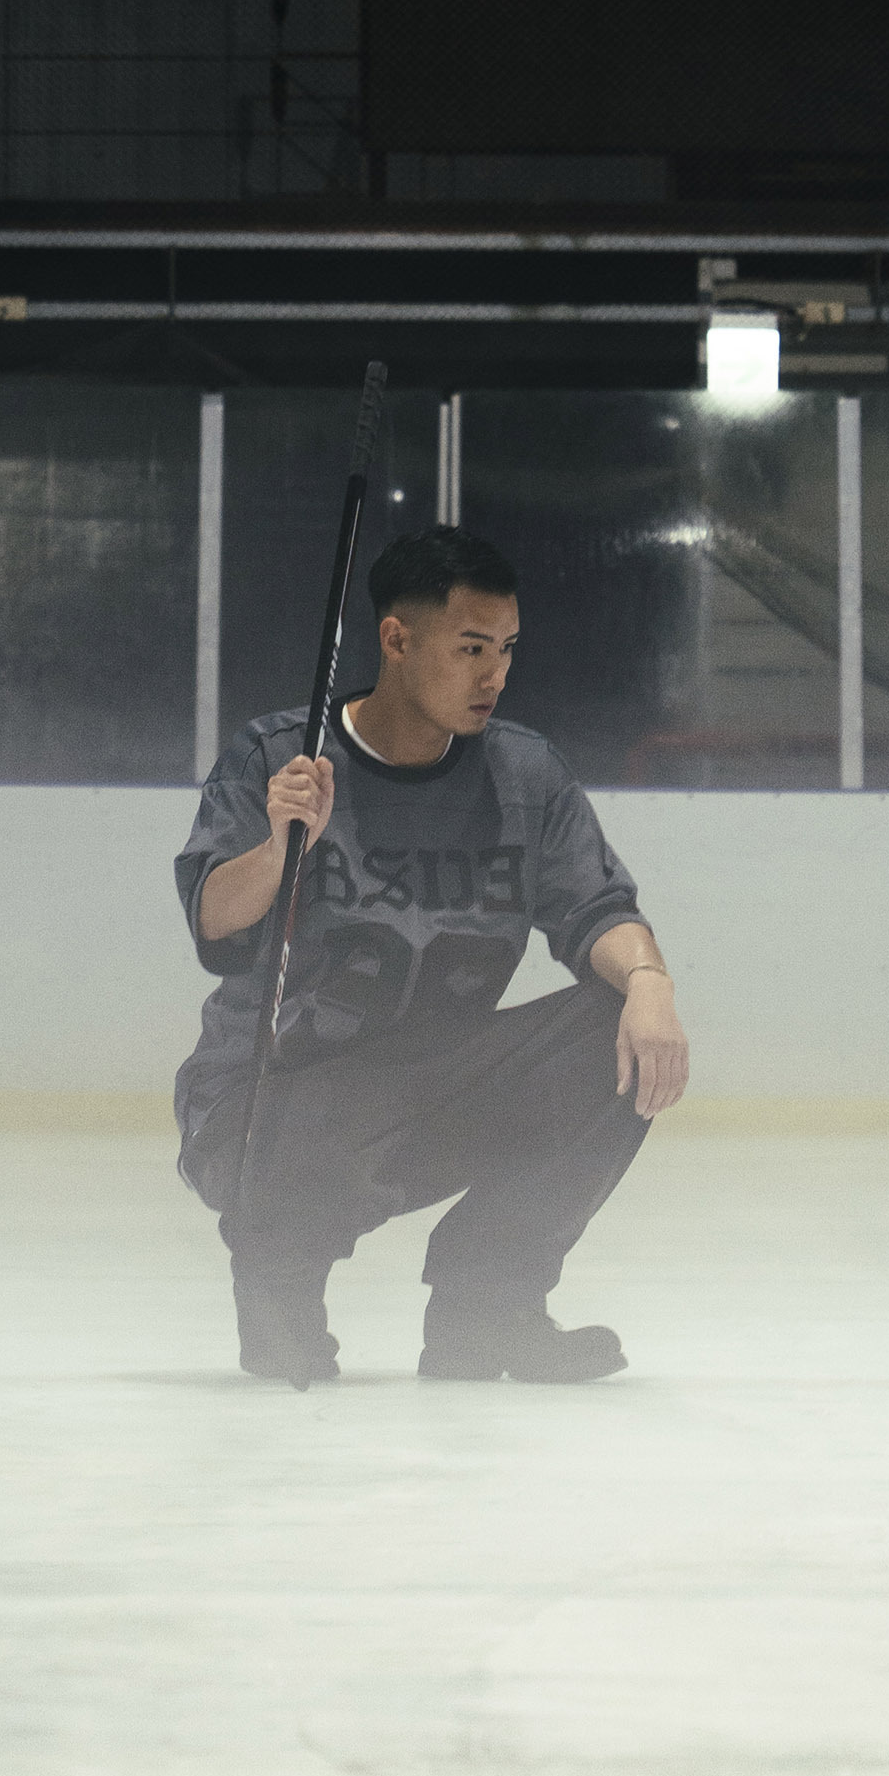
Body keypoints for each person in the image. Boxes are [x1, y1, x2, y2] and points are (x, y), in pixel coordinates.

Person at [172, 522, 690, 1388]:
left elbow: (598, 908)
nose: (495, 675)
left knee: (615, 1032)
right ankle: (279, 1283)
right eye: (471, 648)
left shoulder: (524, 776)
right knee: (303, 1127)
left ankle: (487, 1312)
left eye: (507, 650)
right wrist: (280, 844)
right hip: (268, 1106)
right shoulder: (282, 758)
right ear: (398, 641)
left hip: (424, 1089)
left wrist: (649, 981)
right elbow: (215, 924)